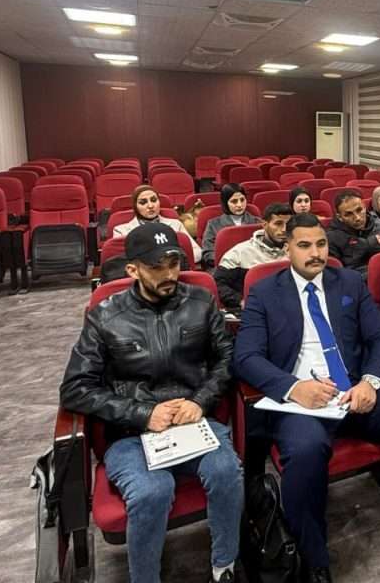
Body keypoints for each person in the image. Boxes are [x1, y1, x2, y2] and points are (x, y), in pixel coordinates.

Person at [234, 213, 380, 583]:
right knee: (305, 451)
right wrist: (293, 388)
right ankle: (314, 561)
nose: (315, 253)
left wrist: (370, 381)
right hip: (303, 400)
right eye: (304, 245)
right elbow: (246, 357)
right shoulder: (265, 292)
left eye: (321, 244)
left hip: (354, 387)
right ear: (287, 249)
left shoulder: (348, 281)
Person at [60, 224, 242, 583]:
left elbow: (227, 359)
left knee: (225, 471)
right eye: (157, 266)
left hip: (193, 422)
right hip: (131, 433)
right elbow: (75, 388)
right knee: (152, 491)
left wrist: (200, 401)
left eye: (174, 263)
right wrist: (143, 413)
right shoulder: (105, 316)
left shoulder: (201, 302)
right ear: (133, 269)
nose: (169, 274)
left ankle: (225, 566)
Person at [213, 203, 292, 310]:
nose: (284, 229)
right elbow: (217, 284)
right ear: (264, 224)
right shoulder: (239, 253)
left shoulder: (298, 250)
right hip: (255, 310)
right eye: (278, 224)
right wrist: (241, 301)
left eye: (288, 224)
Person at [113, 184, 202, 263]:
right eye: (143, 202)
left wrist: (172, 262)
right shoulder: (121, 231)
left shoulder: (176, 225)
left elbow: (197, 252)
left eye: (153, 200)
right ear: (135, 206)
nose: (150, 206)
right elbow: (120, 263)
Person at [326, 188, 380, 276]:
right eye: (349, 214)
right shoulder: (331, 238)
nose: (357, 218)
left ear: (365, 207)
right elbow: (335, 275)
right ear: (340, 217)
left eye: (359, 210)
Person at [201, 183, 260, 268]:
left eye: (242, 200)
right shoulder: (213, 224)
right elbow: (208, 253)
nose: (239, 205)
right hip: (226, 266)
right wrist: (228, 261)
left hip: (253, 264)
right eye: (234, 201)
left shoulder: (257, 222)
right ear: (225, 203)